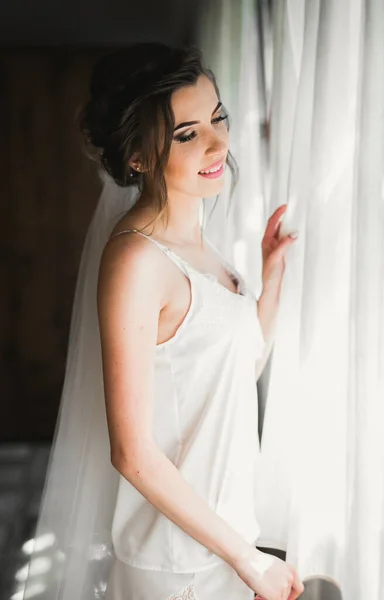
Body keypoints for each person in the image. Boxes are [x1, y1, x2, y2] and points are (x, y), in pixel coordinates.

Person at [22, 42, 303, 600]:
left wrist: (269, 284)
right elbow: (132, 454)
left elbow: (231, 377)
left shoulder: (200, 245)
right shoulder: (135, 262)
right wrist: (249, 562)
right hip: (180, 566)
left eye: (217, 116)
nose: (219, 141)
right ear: (139, 157)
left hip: (221, 545)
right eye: (187, 133)